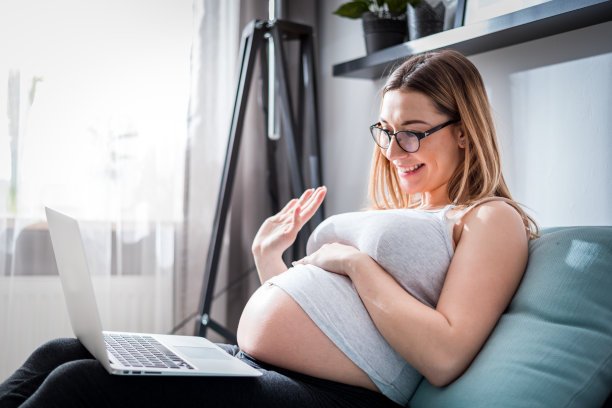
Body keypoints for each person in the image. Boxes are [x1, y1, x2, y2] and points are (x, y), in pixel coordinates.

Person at [0, 49, 537, 407]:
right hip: (257, 363)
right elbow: (328, 319)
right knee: (59, 352)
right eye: (387, 132)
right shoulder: (407, 210)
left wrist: (353, 262)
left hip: (333, 396)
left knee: (81, 385)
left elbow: (444, 356)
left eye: (414, 133)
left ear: (465, 133)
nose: (395, 152)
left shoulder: (491, 219)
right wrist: (271, 264)